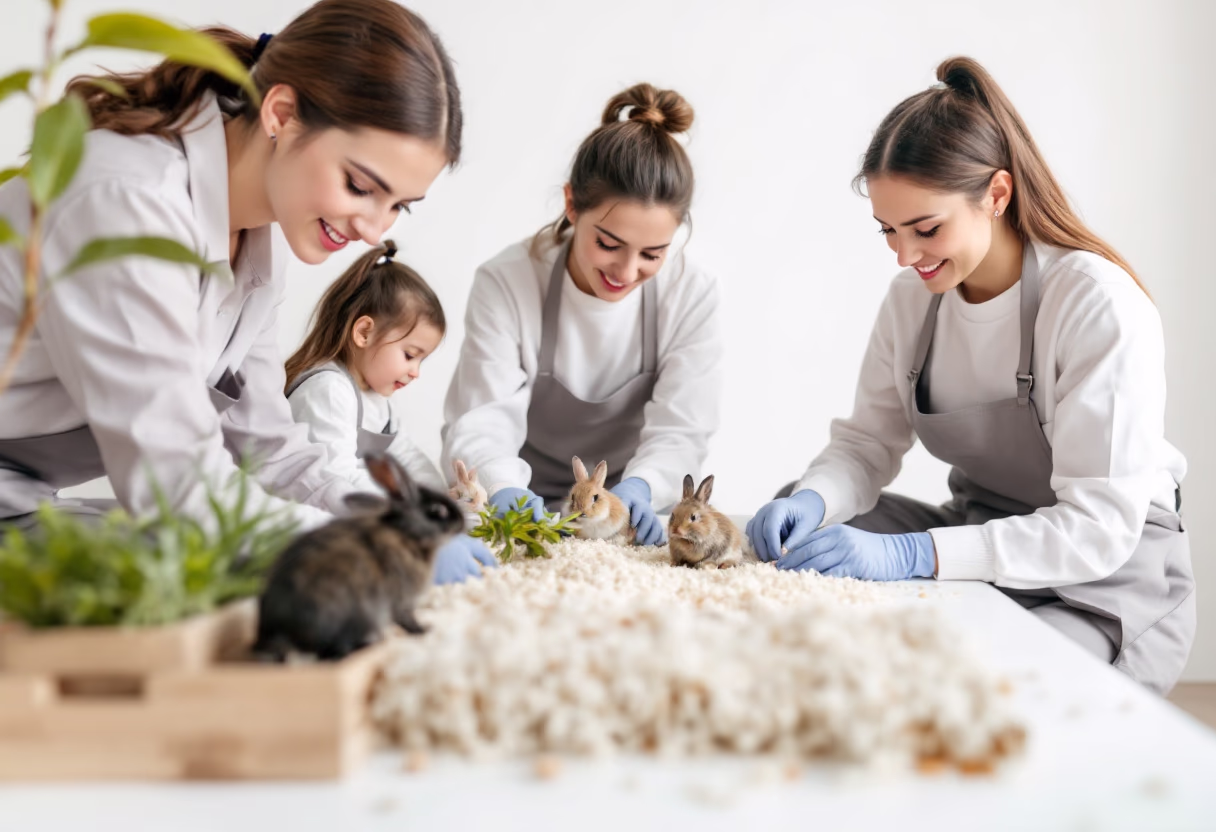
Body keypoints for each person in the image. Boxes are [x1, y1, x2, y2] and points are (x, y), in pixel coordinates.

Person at [748, 57, 1194, 695]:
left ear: (997, 195)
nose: (905, 256)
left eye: (926, 229)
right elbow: (865, 445)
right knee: (810, 527)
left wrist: (910, 557)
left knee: (995, 694)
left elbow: (1098, 529)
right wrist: (812, 500)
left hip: (1104, 574)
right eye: (888, 231)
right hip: (978, 534)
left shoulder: (1095, 302)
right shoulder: (913, 300)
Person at [0, 0, 462, 532]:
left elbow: (270, 450)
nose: (373, 231)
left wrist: (392, 524)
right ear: (282, 114)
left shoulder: (257, 247)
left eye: (398, 205)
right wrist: (360, 546)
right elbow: (175, 481)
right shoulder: (128, 203)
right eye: (360, 186)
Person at [442, 83, 722, 546]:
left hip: (620, 516)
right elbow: (481, 419)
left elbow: (681, 430)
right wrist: (504, 489)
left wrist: (640, 488)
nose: (626, 272)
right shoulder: (508, 282)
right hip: (517, 501)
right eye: (608, 244)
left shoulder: (691, 294)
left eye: (652, 253)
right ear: (572, 205)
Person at [285, 240, 496, 583]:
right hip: (309, 515)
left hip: (349, 512)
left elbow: (407, 456)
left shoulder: (377, 400)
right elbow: (331, 479)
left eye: (422, 360)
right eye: (410, 355)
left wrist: (440, 500)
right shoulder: (327, 389)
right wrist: (412, 513)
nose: (416, 372)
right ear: (364, 332)